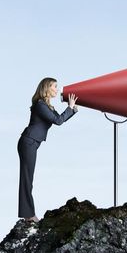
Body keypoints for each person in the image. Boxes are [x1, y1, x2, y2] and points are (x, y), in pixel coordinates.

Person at [18, 78, 78, 222]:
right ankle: (29, 216)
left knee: (28, 178)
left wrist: (72, 109)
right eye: (54, 86)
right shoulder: (40, 105)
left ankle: (28, 214)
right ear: (46, 88)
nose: (57, 90)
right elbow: (58, 121)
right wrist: (69, 108)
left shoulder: (46, 106)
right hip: (29, 142)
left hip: (32, 143)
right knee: (27, 179)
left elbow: (59, 118)